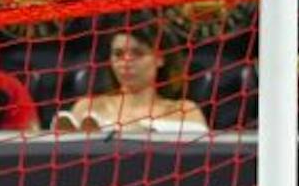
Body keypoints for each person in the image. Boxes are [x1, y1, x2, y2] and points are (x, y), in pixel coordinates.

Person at [53, 26, 209, 133]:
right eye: (118, 54)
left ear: (160, 58)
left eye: (138, 53)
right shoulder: (86, 107)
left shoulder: (184, 110)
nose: (126, 62)